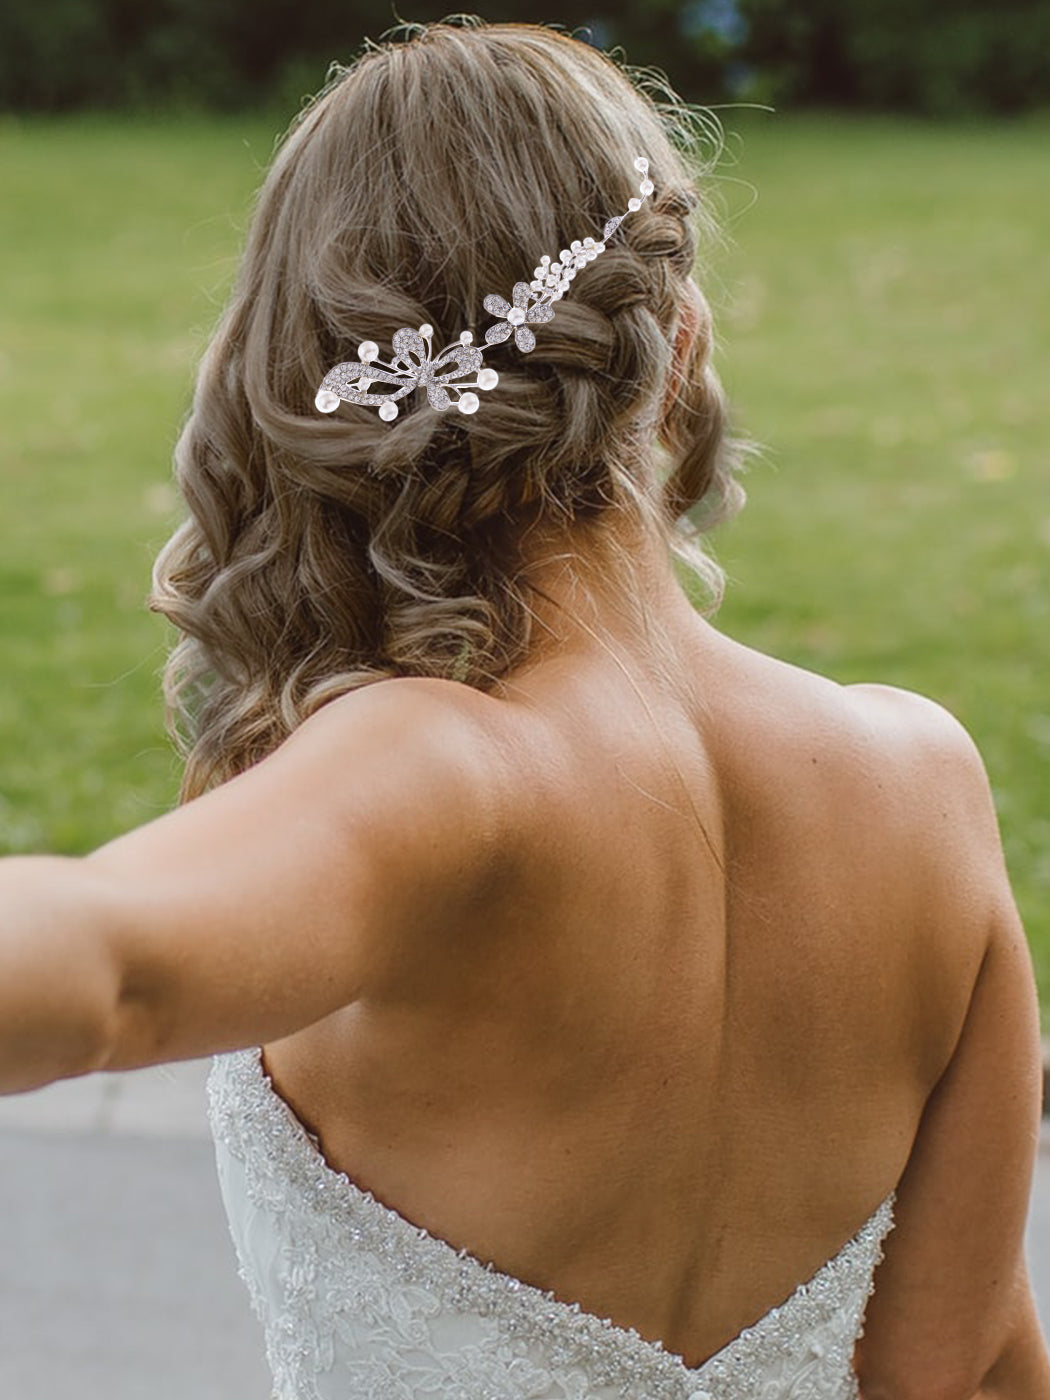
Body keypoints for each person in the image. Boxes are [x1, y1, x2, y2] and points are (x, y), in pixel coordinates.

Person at [1, 16, 1047, 1399]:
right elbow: (962, 1368)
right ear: (676, 348)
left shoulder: (436, 779)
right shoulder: (921, 775)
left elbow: (107, 971)